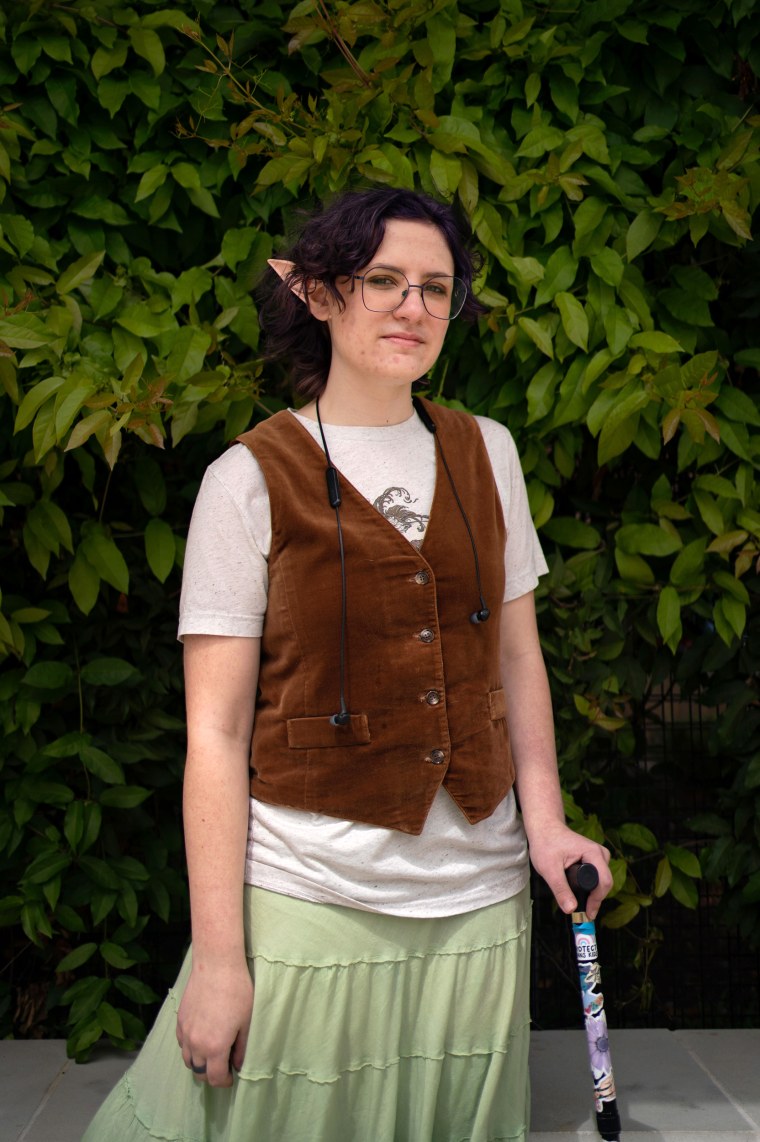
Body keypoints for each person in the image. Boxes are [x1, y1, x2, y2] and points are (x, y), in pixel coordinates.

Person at [83, 187, 612, 1142]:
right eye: (384, 282)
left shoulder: (489, 452)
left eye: (436, 289)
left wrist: (547, 826)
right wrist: (218, 959)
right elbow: (215, 731)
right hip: (313, 894)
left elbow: (516, 661)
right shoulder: (245, 479)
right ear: (320, 296)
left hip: (477, 903)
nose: (414, 307)